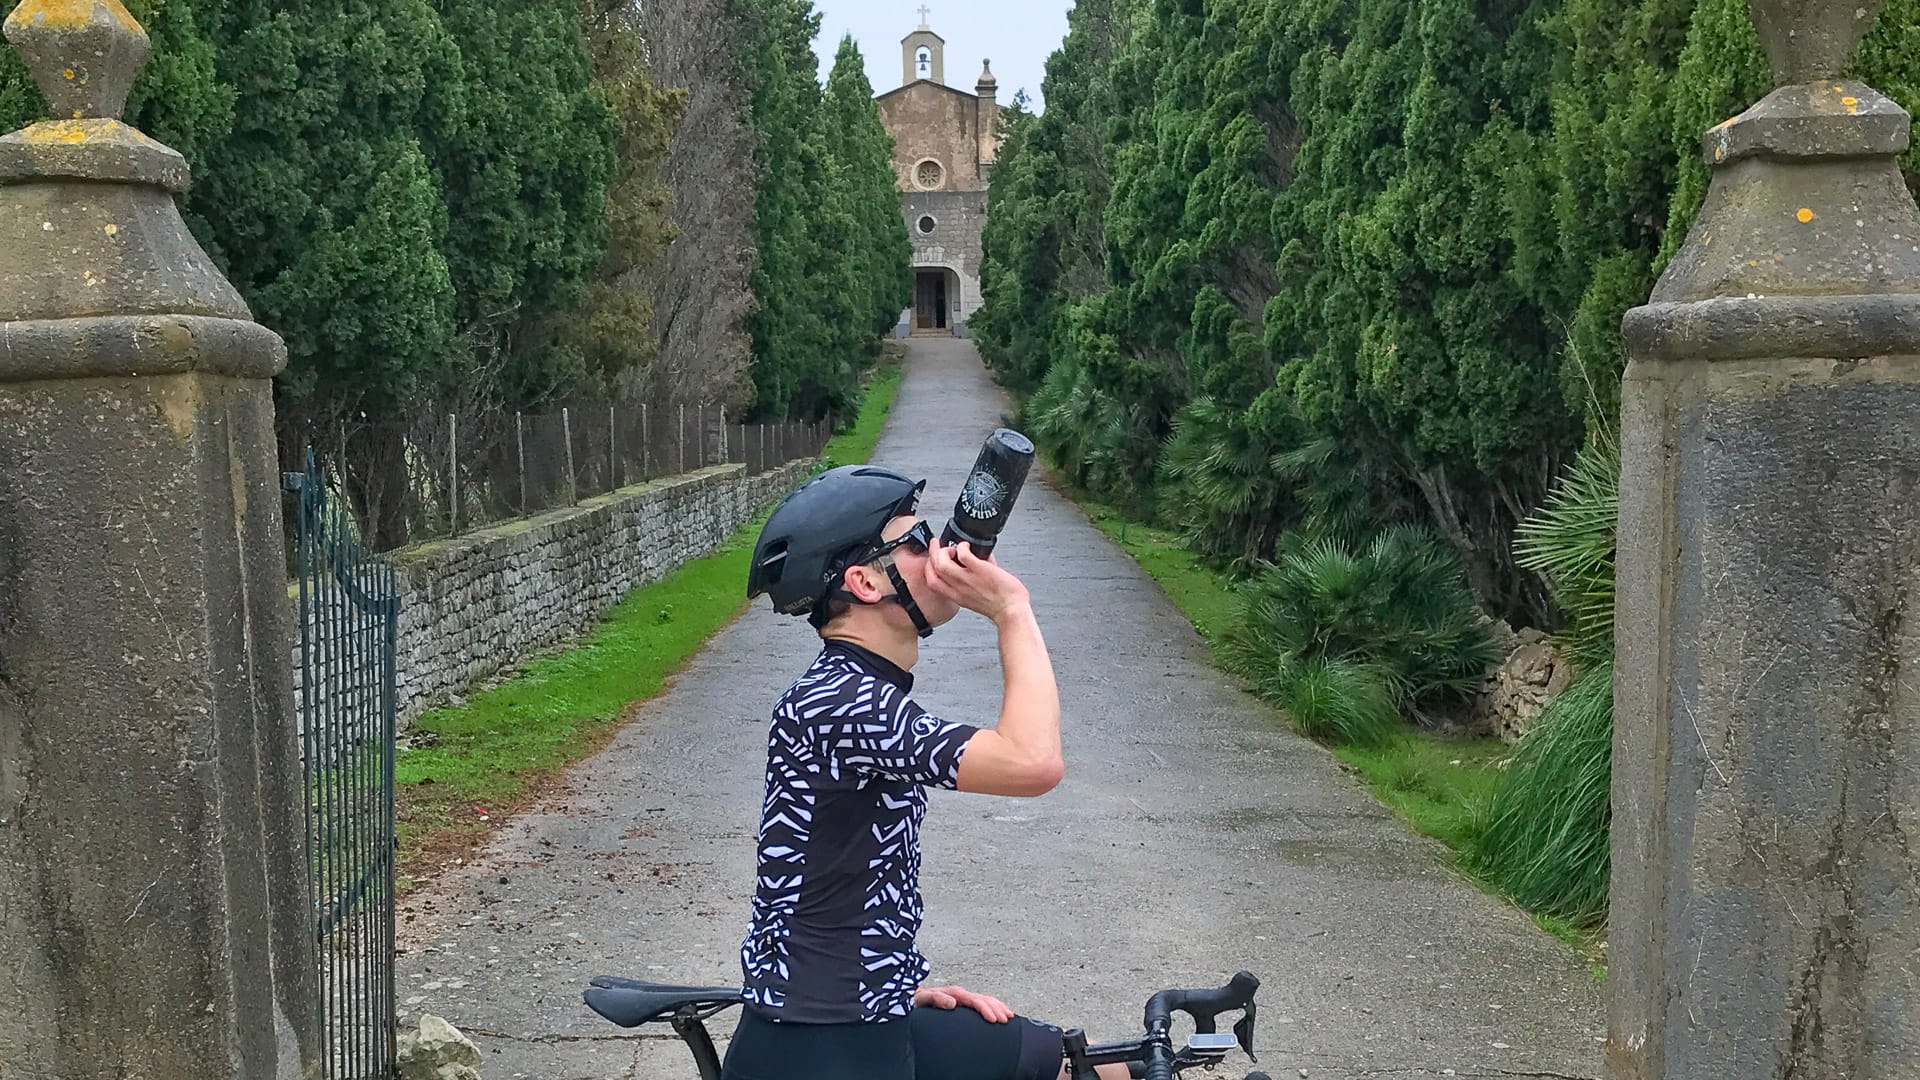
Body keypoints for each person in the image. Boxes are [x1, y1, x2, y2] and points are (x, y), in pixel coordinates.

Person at [730, 464, 1129, 1080]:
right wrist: (1012, 609)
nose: (942, 551)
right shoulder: (843, 702)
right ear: (864, 582)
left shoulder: (848, 689)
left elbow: (822, 868)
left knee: (1098, 1065)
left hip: (858, 1009)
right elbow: (1033, 762)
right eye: (917, 541)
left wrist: (892, 982)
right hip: (822, 1043)